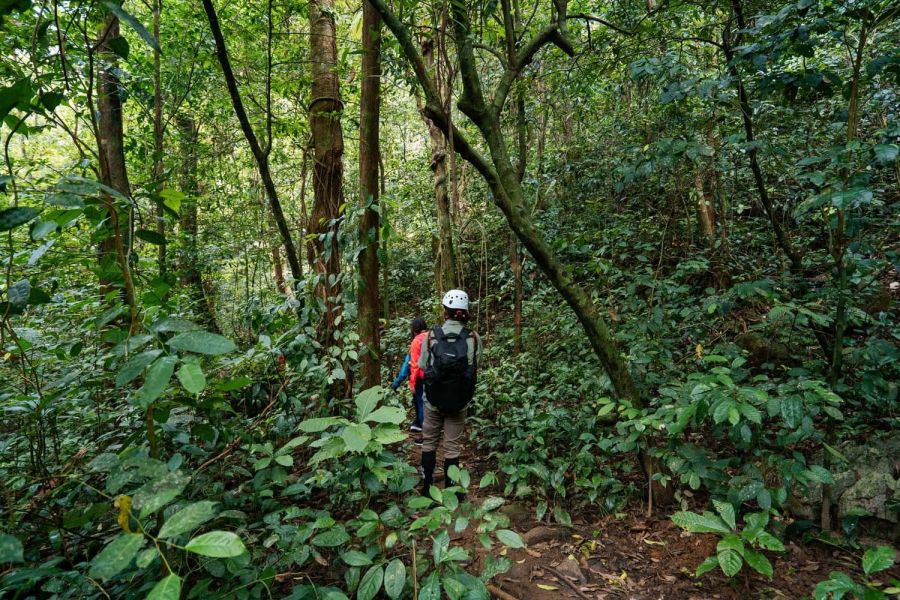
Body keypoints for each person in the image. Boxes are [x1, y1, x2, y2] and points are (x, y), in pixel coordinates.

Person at [418, 289, 482, 496]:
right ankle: (453, 491)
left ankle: (427, 488)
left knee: (429, 442)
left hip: (432, 401)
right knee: (452, 446)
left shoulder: (431, 336)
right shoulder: (473, 337)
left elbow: (422, 366)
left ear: (445, 311)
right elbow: (475, 366)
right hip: (460, 401)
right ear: (464, 311)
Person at [390, 317, 428, 439]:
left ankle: (426, 434)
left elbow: (411, 366)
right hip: (435, 376)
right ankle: (423, 425)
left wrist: (396, 385)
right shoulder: (433, 337)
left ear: (414, 330)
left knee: (420, 403)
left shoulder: (416, 341)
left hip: (421, 378)